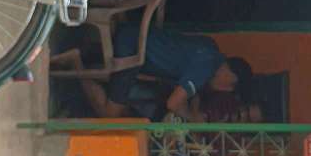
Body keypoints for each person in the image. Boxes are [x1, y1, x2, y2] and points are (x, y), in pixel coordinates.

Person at [80, 24, 253, 119]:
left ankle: (88, 60)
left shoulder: (211, 50)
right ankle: (76, 64)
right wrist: (193, 120)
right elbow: (173, 103)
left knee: (127, 104)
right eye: (231, 85)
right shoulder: (207, 66)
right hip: (132, 49)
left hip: (137, 38)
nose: (225, 89)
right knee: (111, 114)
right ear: (230, 75)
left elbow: (190, 94)